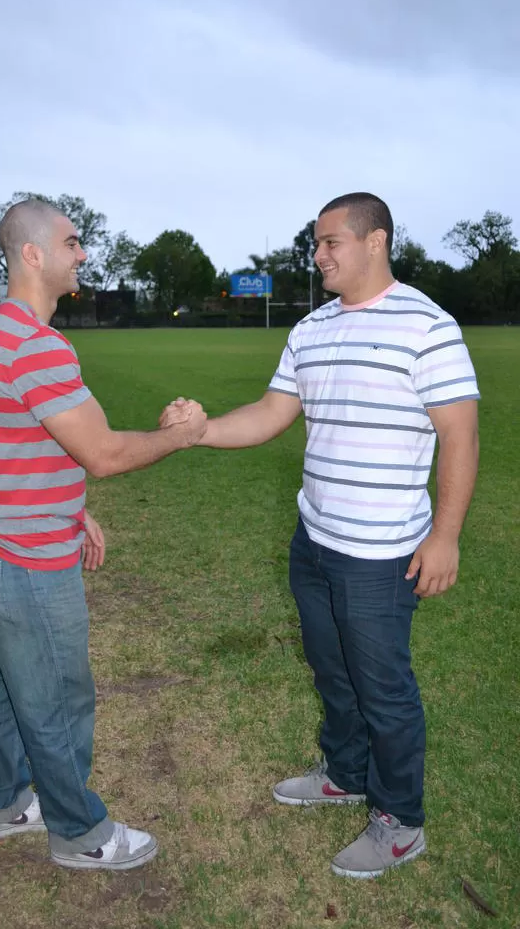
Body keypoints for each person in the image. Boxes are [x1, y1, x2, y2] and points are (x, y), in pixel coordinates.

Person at [161, 192, 479, 879]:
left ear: (376, 242)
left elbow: (460, 435)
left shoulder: (428, 327)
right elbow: (275, 411)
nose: (318, 256)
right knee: (333, 671)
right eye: (316, 243)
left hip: (383, 553)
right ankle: (345, 772)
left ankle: (401, 820)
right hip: (316, 540)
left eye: (331, 242)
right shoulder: (311, 330)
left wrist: (445, 535)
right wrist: (202, 430)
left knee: (382, 687)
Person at [0, 197, 205, 871]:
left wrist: (73, 511)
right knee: (56, 694)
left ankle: (3, 801)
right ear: (33, 254)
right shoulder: (35, 345)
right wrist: (182, 435)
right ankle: (78, 832)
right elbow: (103, 452)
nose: (83, 254)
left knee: (12, 678)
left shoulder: (3, 331)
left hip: (7, 543)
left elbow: (18, 450)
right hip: (22, 560)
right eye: (72, 243)